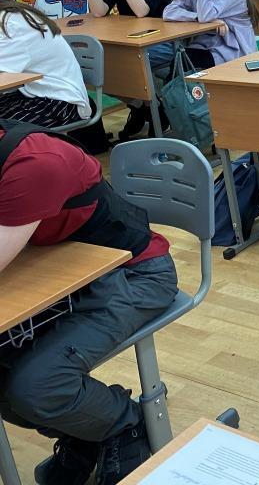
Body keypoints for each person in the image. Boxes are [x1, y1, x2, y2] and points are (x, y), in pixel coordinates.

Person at [0, 122, 178, 485]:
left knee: (34, 386)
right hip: (70, 279)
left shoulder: (33, 164)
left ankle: (124, 424)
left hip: (136, 275)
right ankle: (86, 430)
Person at [82, 0, 171, 141]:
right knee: (95, 67)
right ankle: (144, 106)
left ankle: (153, 110)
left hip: (162, 42)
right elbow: (99, 11)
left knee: (123, 65)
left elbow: (141, 11)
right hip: (132, 41)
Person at [0, 0, 90, 127]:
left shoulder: (11, 22)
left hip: (59, 101)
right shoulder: (10, 16)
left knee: (5, 128)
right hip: (32, 92)